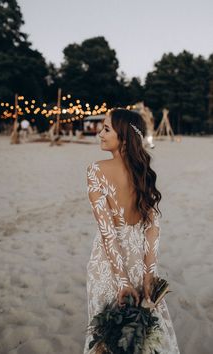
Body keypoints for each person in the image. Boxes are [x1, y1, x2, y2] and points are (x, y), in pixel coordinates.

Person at [84, 108, 179, 353]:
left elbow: (107, 232)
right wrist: (148, 274)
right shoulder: (143, 173)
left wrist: (122, 281)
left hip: (107, 264)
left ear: (124, 137)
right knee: (141, 333)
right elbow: (153, 228)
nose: (99, 134)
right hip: (139, 260)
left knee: (107, 336)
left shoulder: (96, 170)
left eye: (106, 129)